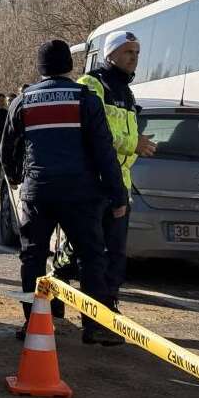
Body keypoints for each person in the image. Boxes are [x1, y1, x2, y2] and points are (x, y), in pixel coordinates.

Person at [2, 40, 126, 345]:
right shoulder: (85, 99)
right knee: (91, 258)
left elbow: (7, 148)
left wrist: (16, 177)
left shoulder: (24, 100)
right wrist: (118, 195)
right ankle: (94, 327)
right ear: (69, 66)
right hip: (81, 194)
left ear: (41, 67)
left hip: (38, 193)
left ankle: (34, 323)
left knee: (33, 257)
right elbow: (104, 151)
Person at [77, 30, 157, 315]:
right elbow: (93, 133)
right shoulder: (92, 84)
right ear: (110, 54)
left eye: (137, 53)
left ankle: (108, 307)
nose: (134, 58)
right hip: (93, 182)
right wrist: (133, 144)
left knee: (116, 254)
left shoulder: (127, 89)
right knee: (86, 253)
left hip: (119, 184)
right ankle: (66, 296)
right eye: (128, 52)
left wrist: (137, 145)